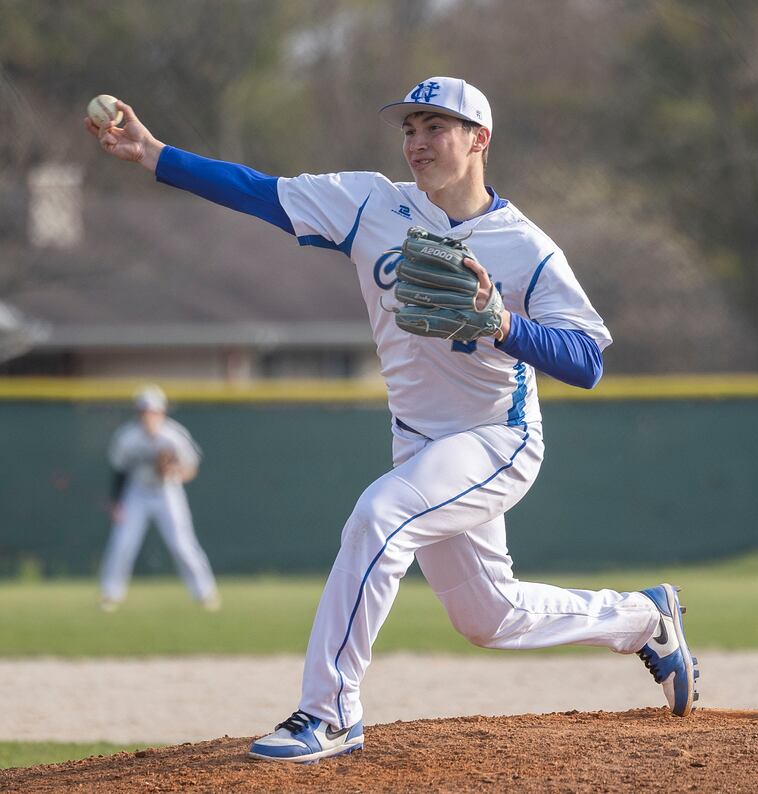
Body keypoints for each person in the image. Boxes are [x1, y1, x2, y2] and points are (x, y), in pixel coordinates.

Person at [86, 76, 698, 762]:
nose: (417, 142)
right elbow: (262, 192)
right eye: (409, 128)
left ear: (478, 139)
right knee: (490, 618)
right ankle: (645, 619)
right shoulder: (371, 204)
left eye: (435, 126)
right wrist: (154, 153)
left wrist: (503, 324)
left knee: (380, 516)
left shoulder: (525, 246)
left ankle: (329, 712)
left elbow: (586, 360)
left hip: (496, 439)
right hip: (420, 447)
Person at [99, 384, 220, 612]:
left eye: (153, 412)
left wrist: (174, 471)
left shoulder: (174, 436)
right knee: (123, 543)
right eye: (144, 412)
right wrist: (116, 502)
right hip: (136, 492)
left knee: (182, 544)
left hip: (167, 491)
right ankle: (110, 594)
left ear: (162, 412)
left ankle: (205, 593)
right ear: (138, 413)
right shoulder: (127, 438)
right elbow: (119, 471)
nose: (149, 417)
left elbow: (192, 469)